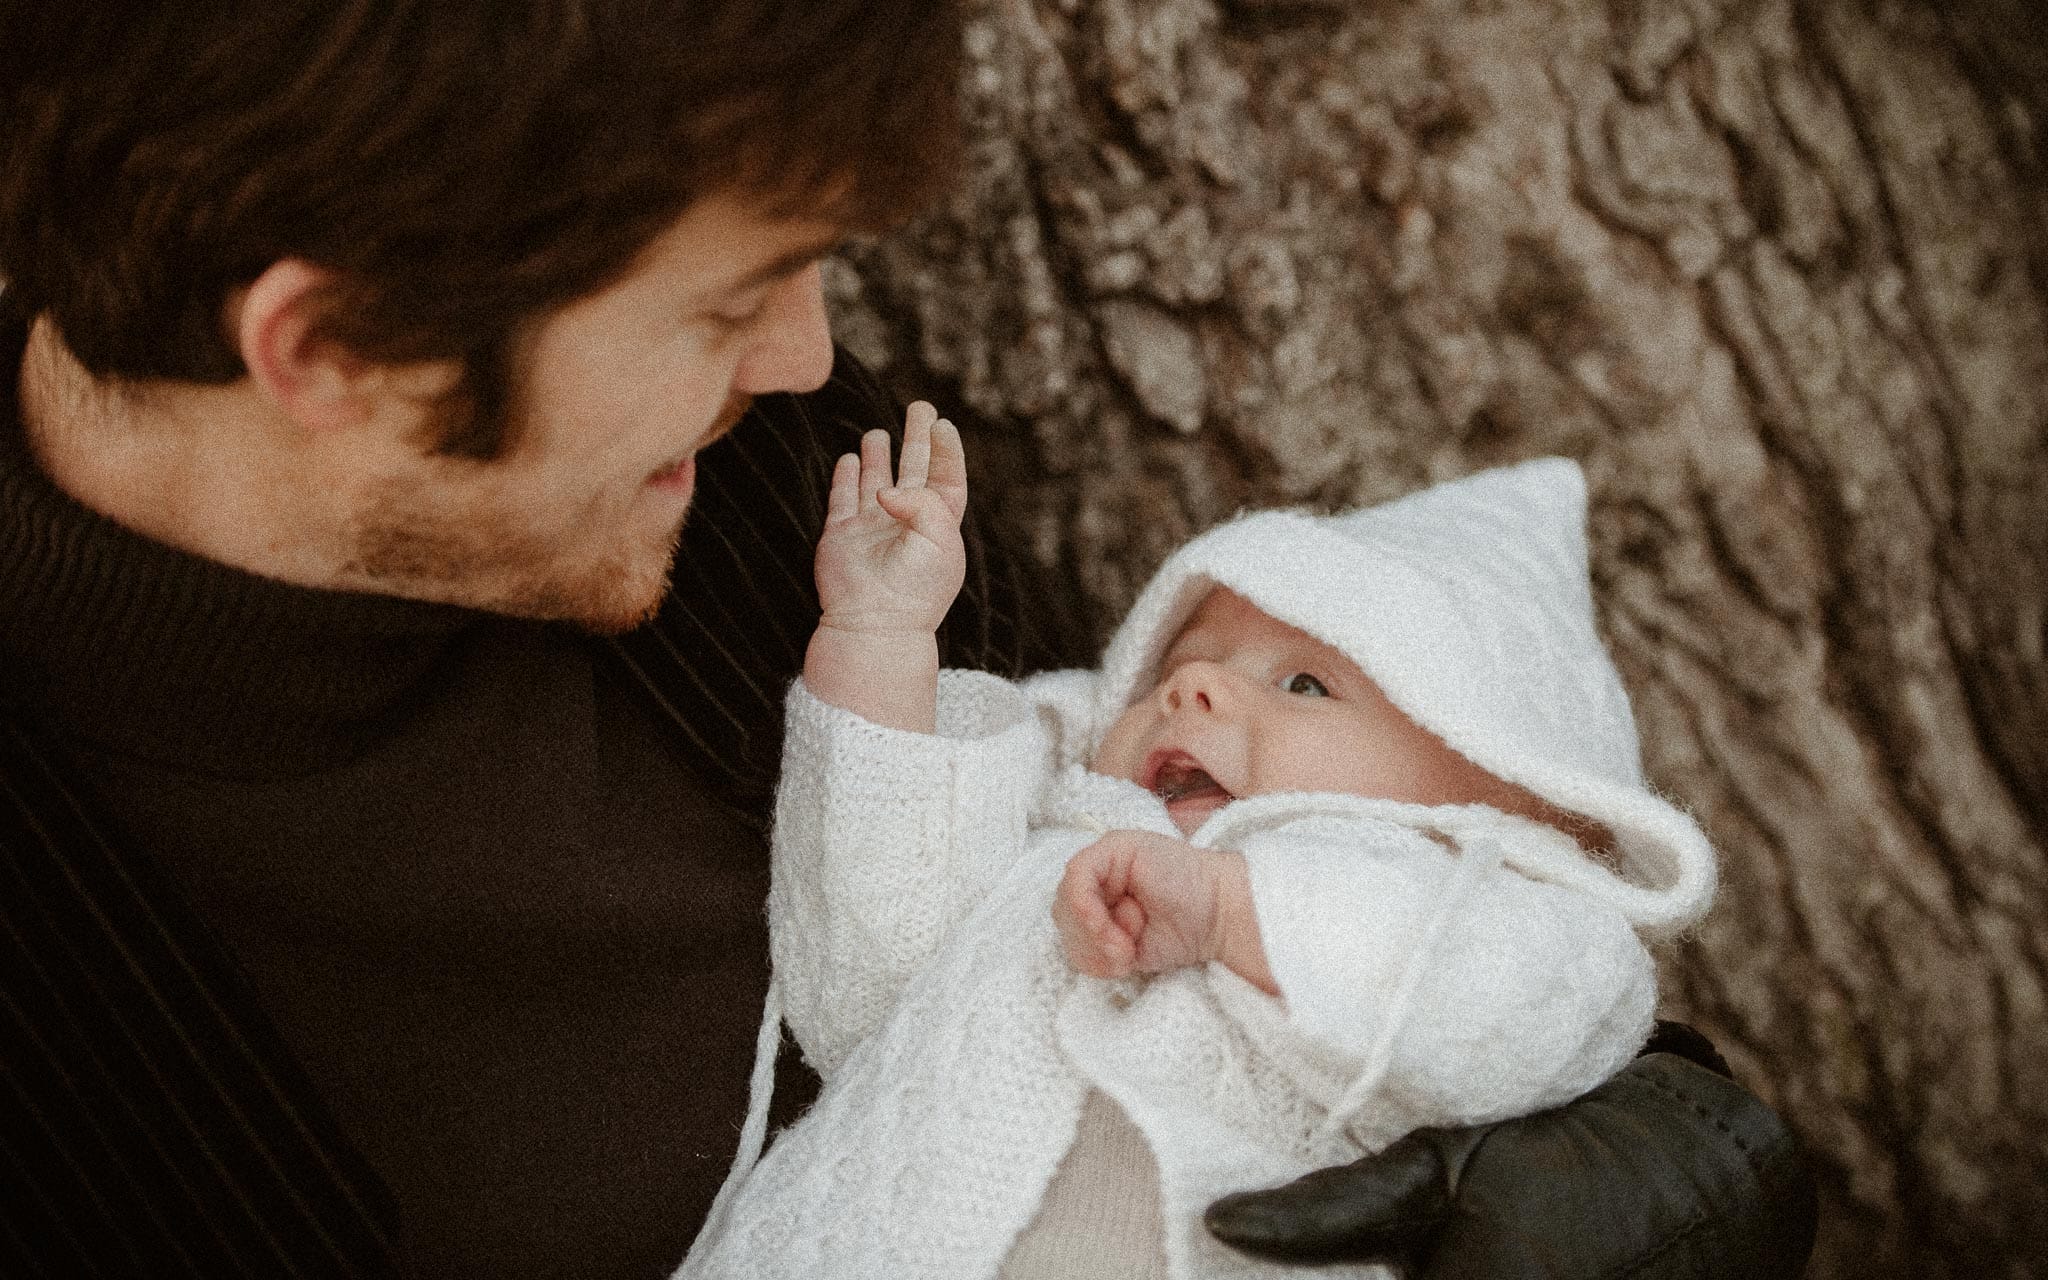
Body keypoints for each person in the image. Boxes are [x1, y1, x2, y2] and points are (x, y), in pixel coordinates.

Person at [0, 2, 1814, 1278]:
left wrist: (1655, 1134)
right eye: (730, 299)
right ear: (329, 351)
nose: (804, 358)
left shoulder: (751, 473)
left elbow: (1302, 839)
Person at [679, 414, 1720, 1279]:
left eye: (1304, 681)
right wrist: (878, 645)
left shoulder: (1486, 900)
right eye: (1176, 664)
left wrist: (1228, 912)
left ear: (1504, 786)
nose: (1193, 687)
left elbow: (1520, 1012)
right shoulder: (1059, 837)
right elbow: (859, 982)